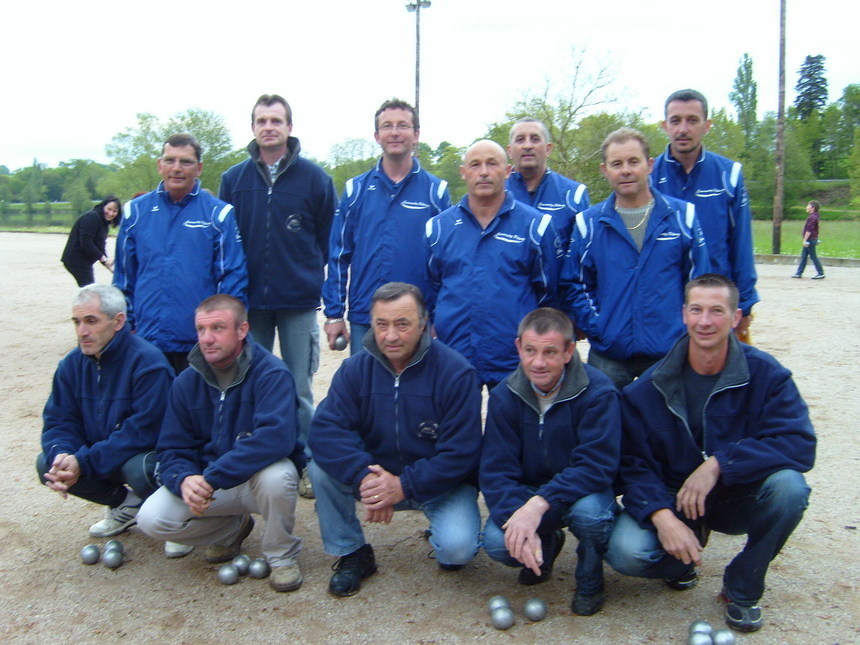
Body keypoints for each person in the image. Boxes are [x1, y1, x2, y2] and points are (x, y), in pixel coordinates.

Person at [605, 274, 815, 633]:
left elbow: (799, 443)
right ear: (684, 314)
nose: (705, 321)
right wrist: (662, 517)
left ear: (736, 318)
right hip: (675, 499)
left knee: (789, 489)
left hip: (737, 494)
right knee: (626, 551)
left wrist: (720, 463)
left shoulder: (767, 374)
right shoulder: (648, 388)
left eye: (717, 311)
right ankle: (682, 561)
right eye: (697, 310)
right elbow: (632, 466)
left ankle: (742, 587)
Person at [308, 282, 482, 597]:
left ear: (425, 324)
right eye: (381, 324)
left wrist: (402, 486)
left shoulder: (457, 373)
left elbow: (461, 454)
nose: (390, 336)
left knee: (457, 551)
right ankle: (352, 552)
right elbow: (325, 431)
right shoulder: (355, 370)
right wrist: (364, 476)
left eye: (402, 324)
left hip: (439, 485)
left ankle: (440, 535)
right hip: (374, 477)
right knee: (321, 467)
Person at [137, 295, 306, 592]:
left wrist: (211, 478)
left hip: (252, 480)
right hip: (209, 483)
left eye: (217, 328)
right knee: (151, 519)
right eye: (201, 330)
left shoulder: (272, 374)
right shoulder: (186, 382)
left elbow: (274, 439)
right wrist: (184, 479)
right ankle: (231, 530)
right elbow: (172, 447)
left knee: (278, 476)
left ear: (242, 330)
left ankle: (281, 556)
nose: (207, 338)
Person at [220, 94, 337, 498]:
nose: (268, 127)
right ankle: (252, 458)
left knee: (299, 386)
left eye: (276, 120)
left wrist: (303, 274)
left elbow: (325, 240)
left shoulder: (315, 179)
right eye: (261, 120)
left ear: (289, 126)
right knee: (248, 383)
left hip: (298, 302)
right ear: (252, 127)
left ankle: (304, 461)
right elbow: (227, 240)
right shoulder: (234, 180)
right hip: (249, 303)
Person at [480, 308, 620, 616]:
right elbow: (496, 471)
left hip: (583, 492)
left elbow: (597, 465)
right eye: (530, 351)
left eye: (550, 352)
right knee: (497, 542)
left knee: (593, 517)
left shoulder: (598, 392)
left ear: (569, 351)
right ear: (518, 348)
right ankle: (545, 543)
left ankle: (590, 576)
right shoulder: (505, 396)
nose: (538, 362)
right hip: (531, 491)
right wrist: (518, 516)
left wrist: (539, 504)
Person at [562, 127, 709, 389]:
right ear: (605, 170)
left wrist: (681, 328)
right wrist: (599, 325)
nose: (626, 170)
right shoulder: (588, 223)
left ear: (649, 165)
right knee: (606, 426)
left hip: (668, 352)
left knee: (665, 428)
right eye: (616, 164)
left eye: (633, 161)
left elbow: (698, 282)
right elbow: (575, 283)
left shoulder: (683, 216)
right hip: (609, 354)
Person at [37, 284, 175, 542]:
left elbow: (144, 432)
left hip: (144, 455)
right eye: (76, 322)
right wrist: (63, 455)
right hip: (101, 454)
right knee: (47, 463)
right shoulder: (70, 365)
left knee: (140, 469)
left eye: (91, 321)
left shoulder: (148, 363)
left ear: (118, 321)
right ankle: (126, 504)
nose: (82, 331)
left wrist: (84, 461)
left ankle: (174, 520)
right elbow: (59, 420)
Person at [426, 140, 560, 388]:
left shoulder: (536, 226)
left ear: (508, 171)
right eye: (475, 165)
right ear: (463, 172)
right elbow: (432, 286)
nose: (484, 172)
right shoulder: (439, 227)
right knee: (456, 427)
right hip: (455, 355)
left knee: (514, 427)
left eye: (492, 164)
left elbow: (548, 293)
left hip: (514, 357)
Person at [322, 98, 451, 355]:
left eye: (402, 126)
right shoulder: (355, 190)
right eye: (387, 126)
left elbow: (447, 262)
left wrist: (439, 316)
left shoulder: (436, 192)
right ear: (376, 135)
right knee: (365, 392)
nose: (394, 132)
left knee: (418, 393)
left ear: (416, 135)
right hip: (366, 317)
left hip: (418, 319)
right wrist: (334, 314)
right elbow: (338, 256)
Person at [113, 133, 248, 374]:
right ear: (159, 165)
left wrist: (224, 331)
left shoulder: (219, 214)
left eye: (185, 162)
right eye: (170, 160)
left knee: (198, 410)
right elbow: (123, 279)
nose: (177, 168)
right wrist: (128, 325)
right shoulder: (135, 213)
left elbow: (232, 279)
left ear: (199, 168)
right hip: (146, 339)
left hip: (200, 341)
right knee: (150, 408)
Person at [652, 89, 758, 340]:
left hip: (716, 303)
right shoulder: (649, 176)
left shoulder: (728, 174)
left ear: (707, 125)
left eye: (692, 120)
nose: (683, 129)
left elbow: (741, 244)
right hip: (665, 306)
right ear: (664, 125)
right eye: (675, 121)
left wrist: (746, 303)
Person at [506, 118, 590, 253]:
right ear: (509, 151)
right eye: (520, 140)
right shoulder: (496, 194)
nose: (527, 146)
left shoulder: (574, 195)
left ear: (548, 149)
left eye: (535, 139)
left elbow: (579, 256)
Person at [61, 195, 121, 286]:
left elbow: (100, 247)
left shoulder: (104, 224)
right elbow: (86, 243)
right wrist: (104, 259)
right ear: (103, 206)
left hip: (85, 262)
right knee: (89, 289)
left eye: (115, 211)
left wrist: (108, 265)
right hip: (76, 260)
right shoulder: (91, 217)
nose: (111, 213)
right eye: (109, 209)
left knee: (88, 289)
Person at [792, 200, 825, 279]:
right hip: (812, 239)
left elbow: (809, 230)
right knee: (804, 256)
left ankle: (820, 273)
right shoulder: (815, 216)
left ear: (812, 208)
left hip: (810, 240)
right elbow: (816, 229)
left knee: (813, 256)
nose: (806, 207)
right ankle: (799, 273)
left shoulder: (812, 217)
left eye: (808, 206)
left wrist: (805, 240)